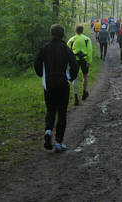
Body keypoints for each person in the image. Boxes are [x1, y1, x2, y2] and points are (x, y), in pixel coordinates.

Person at [34, 24, 79, 152]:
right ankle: (59, 143)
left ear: (51, 34)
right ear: (62, 34)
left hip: (49, 83)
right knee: (62, 112)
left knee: (50, 109)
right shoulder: (66, 49)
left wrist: (41, 74)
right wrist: (71, 78)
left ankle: (48, 131)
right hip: (63, 83)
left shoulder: (45, 48)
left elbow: (36, 63)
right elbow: (75, 66)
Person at [68, 25, 93, 106]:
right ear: (82, 30)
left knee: (75, 77)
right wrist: (89, 61)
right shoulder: (86, 39)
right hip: (84, 60)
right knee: (85, 76)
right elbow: (89, 51)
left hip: (75, 60)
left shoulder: (71, 39)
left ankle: (75, 97)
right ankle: (84, 93)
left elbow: (68, 51)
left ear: (75, 31)